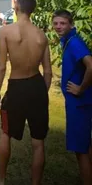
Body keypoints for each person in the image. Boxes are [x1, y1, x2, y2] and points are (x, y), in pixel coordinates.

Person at [0, 0, 52, 185]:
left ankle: (1, 180)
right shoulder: (42, 35)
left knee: (6, 133)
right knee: (38, 142)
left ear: (16, 8)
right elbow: (47, 72)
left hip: (16, 87)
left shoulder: (6, 31)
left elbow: (1, 66)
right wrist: (42, 94)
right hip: (37, 87)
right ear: (32, 10)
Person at [52, 10, 92, 185]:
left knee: (80, 150)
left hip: (79, 104)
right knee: (86, 145)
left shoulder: (74, 42)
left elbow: (90, 64)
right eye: (56, 23)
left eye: (63, 23)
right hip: (79, 103)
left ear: (71, 24)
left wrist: (80, 88)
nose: (59, 27)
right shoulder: (68, 40)